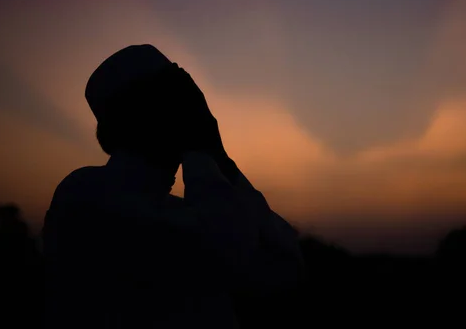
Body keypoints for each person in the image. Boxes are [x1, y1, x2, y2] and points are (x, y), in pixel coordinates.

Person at [43, 45, 304, 329]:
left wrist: (220, 158)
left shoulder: (182, 211)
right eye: (175, 98)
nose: (192, 108)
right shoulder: (85, 197)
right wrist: (204, 149)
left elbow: (284, 267)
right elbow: (226, 251)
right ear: (140, 114)